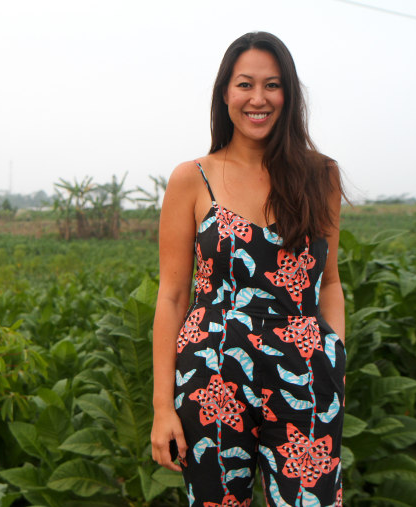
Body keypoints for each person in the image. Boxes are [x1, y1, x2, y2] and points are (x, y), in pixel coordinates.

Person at [150, 32, 346, 507]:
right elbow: (173, 295)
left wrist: (335, 359)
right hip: (212, 376)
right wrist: (161, 407)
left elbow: (331, 281)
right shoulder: (190, 178)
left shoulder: (320, 176)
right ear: (225, 94)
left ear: (289, 95)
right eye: (245, 85)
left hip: (305, 373)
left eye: (272, 85)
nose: (258, 99)